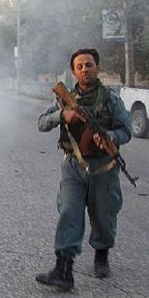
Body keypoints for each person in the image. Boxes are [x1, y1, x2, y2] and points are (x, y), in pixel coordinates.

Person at [35, 48, 132, 291]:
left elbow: (126, 131)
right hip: (73, 166)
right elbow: (41, 123)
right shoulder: (62, 98)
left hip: (103, 167)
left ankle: (102, 254)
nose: (84, 69)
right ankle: (63, 270)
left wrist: (108, 136)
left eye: (89, 64)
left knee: (104, 215)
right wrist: (62, 115)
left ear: (97, 68)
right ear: (73, 72)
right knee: (69, 212)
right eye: (79, 66)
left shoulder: (111, 99)